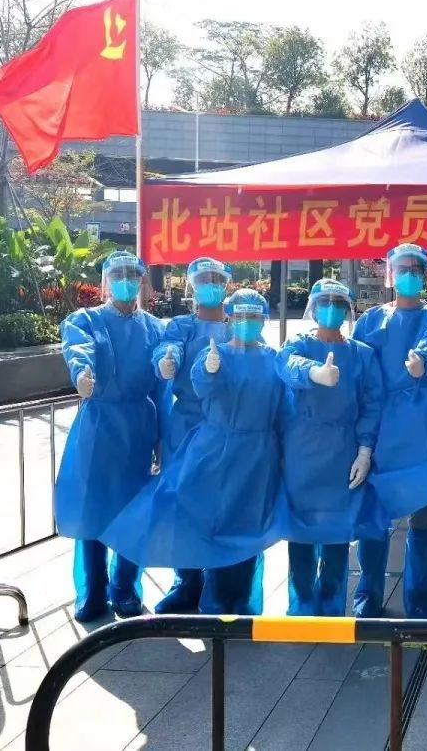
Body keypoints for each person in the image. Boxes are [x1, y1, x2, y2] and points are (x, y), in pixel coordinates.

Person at [101, 289, 285, 615]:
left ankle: (240, 603)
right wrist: (206, 369)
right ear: (230, 318)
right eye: (240, 316)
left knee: (248, 526)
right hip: (213, 447)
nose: (246, 322)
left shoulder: (273, 358)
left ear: (263, 320)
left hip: (258, 455)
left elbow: (283, 405)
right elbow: (200, 379)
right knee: (196, 515)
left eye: (254, 316)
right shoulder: (215, 353)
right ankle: (197, 592)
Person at [55, 251, 166, 621]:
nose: (125, 281)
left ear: (142, 282)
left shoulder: (155, 328)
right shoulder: (87, 319)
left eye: (132, 275)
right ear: (105, 281)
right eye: (118, 275)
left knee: (134, 509)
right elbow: (78, 346)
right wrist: (81, 372)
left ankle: (126, 587)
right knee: (93, 508)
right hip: (99, 425)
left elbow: (161, 387)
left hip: (138, 427)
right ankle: (93, 591)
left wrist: (162, 438)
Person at [350, 244, 427, 618]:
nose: (409, 275)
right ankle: (368, 594)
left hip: (422, 424)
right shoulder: (371, 320)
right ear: (390, 274)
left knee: (422, 516)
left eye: (416, 269)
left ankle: (419, 598)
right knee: (374, 513)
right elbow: (358, 368)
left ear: (425, 276)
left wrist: (422, 359)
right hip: (380, 424)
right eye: (402, 268)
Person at [276, 279, 383, 616]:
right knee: (301, 531)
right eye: (325, 302)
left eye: (339, 303)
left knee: (338, 530)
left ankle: (332, 606)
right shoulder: (299, 344)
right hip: (302, 449)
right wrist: (313, 372)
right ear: (313, 308)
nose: (332, 309)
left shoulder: (362, 354)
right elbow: (286, 364)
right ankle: (302, 606)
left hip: (343, 449)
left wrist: (365, 450)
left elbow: (372, 403)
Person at [149, 256, 233, 614]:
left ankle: (221, 585)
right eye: (203, 280)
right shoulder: (182, 326)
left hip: (226, 427)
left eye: (216, 279)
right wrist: (165, 360)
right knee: (182, 503)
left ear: (226, 285)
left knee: (222, 504)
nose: (210, 286)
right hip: (185, 426)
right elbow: (169, 346)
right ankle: (186, 582)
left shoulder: (240, 326)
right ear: (192, 287)